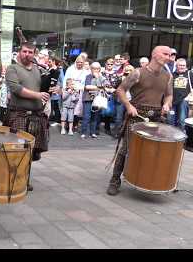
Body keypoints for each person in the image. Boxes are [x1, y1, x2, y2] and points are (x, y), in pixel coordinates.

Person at [106, 46, 173, 196]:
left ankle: (145, 180)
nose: (169, 57)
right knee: (126, 149)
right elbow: (120, 90)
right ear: (154, 55)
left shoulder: (168, 76)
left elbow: (169, 95)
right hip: (136, 114)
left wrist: (167, 104)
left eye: (170, 54)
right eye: (165, 54)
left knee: (151, 151)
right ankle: (115, 181)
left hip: (155, 116)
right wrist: (128, 105)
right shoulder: (138, 73)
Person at [5, 41, 50, 192]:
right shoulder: (13, 68)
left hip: (36, 116)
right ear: (19, 52)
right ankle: (12, 180)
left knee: (30, 150)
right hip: (19, 114)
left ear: (34, 54)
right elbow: (16, 88)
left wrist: (54, 90)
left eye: (30, 52)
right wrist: (37, 94)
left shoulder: (38, 70)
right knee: (17, 150)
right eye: (24, 51)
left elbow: (43, 89)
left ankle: (24, 178)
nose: (27, 54)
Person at [81, 62, 108, 139]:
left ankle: (92, 132)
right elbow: (87, 87)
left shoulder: (102, 77)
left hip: (97, 99)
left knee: (95, 116)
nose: (96, 70)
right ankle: (84, 132)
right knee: (86, 116)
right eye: (94, 68)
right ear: (91, 69)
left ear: (100, 69)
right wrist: (99, 85)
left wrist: (98, 81)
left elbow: (105, 85)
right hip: (87, 98)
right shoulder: (88, 76)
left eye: (97, 68)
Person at [167, 58, 190, 131]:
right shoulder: (172, 75)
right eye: (180, 65)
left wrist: (189, 97)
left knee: (182, 121)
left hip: (183, 101)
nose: (182, 67)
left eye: (184, 65)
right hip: (172, 101)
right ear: (176, 66)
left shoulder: (189, 74)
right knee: (170, 121)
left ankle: (181, 140)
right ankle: (171, 138)